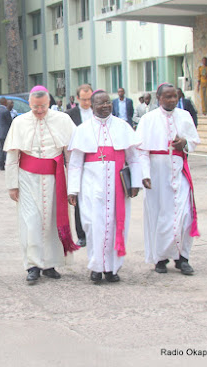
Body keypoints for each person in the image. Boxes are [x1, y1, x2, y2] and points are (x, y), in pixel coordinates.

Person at [4, 85, 79, 283]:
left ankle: (51, 264)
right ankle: (33, 265)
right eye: (35, 107)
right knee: (31, 222)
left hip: (55, 178)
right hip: (27, 178)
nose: (39, 111)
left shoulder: (62, 120)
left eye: (43, 107)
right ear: (29, 104)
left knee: (53, 221)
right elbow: (12, 156)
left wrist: (73, 186)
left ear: (49, 104)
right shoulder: (19, 122)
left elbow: (71, 155)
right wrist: (12, 185)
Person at [67, 90, 141, 282]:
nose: (105, 105)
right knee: (93, 226)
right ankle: (96, 266)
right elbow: (75, 163)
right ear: (92, 106)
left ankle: (112, 269)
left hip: (117, 186)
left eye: (108, 102)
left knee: (116, 225)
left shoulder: (123, 126)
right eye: (100, 103)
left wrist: (136, 182)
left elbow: (133, 158)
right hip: (91, 186)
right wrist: (73, 189)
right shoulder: (82, 130)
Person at [135, 83, 200, 275]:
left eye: (175, 97)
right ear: (159, 98)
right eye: (168, 97)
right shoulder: (148, 119)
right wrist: (144, 175)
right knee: (159, 216)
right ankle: (160, 258)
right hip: (157, 173)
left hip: (179, 172)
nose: (172, 100)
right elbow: (141, 151)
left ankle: (183, 258)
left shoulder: (185, 116)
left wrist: (185, 143)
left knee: (185, 214)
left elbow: (194, 140)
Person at [65, 84, 94, 247]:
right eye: (83, 99)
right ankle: (81, 234)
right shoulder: (69, 115)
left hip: (95, 160)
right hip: (77, 160)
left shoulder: (97, 112)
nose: (87, 102)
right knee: (78, 197)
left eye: (89, 99)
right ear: (77, 99)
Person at [0, 97, 11, 171]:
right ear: (5, 102)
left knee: (1, 149)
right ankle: (5, 164)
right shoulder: (6, 111)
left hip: (0, 132)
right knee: (6, 149)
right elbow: (9, 122)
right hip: (6, 132)